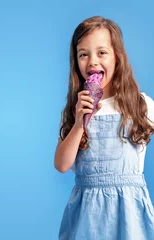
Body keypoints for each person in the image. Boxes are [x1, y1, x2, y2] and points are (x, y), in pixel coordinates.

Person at [54, 16, 154, 240]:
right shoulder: (75, 110)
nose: (92, 62)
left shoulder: (141, 105)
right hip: (86, 218)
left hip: (130, 216)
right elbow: (61, 165)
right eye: (83, 54)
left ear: (117, 57)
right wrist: (80, 122)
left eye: (102, 52)